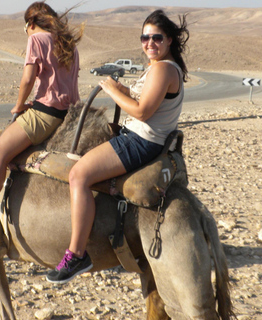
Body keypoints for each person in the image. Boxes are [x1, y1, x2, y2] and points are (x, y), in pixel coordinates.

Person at [46, 9, 190, 284]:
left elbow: (143, 111)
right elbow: (145, 98)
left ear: (169, 39)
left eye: (156, 37)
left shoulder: (162, 69)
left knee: (78, 175)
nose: (149, 42)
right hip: (144, 139)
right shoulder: (165, 66)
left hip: (140, 141)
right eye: (144, 37)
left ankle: (77, 255)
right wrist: (121, 87)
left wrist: (112, 91)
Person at [0, 1, 84, 241]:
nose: (26, 33)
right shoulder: (68, 44)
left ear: (31, 23)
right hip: (66, 113)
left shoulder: (37, 39)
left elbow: (28, 79)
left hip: (44, 114)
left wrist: (20, 105)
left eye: (25, 29)